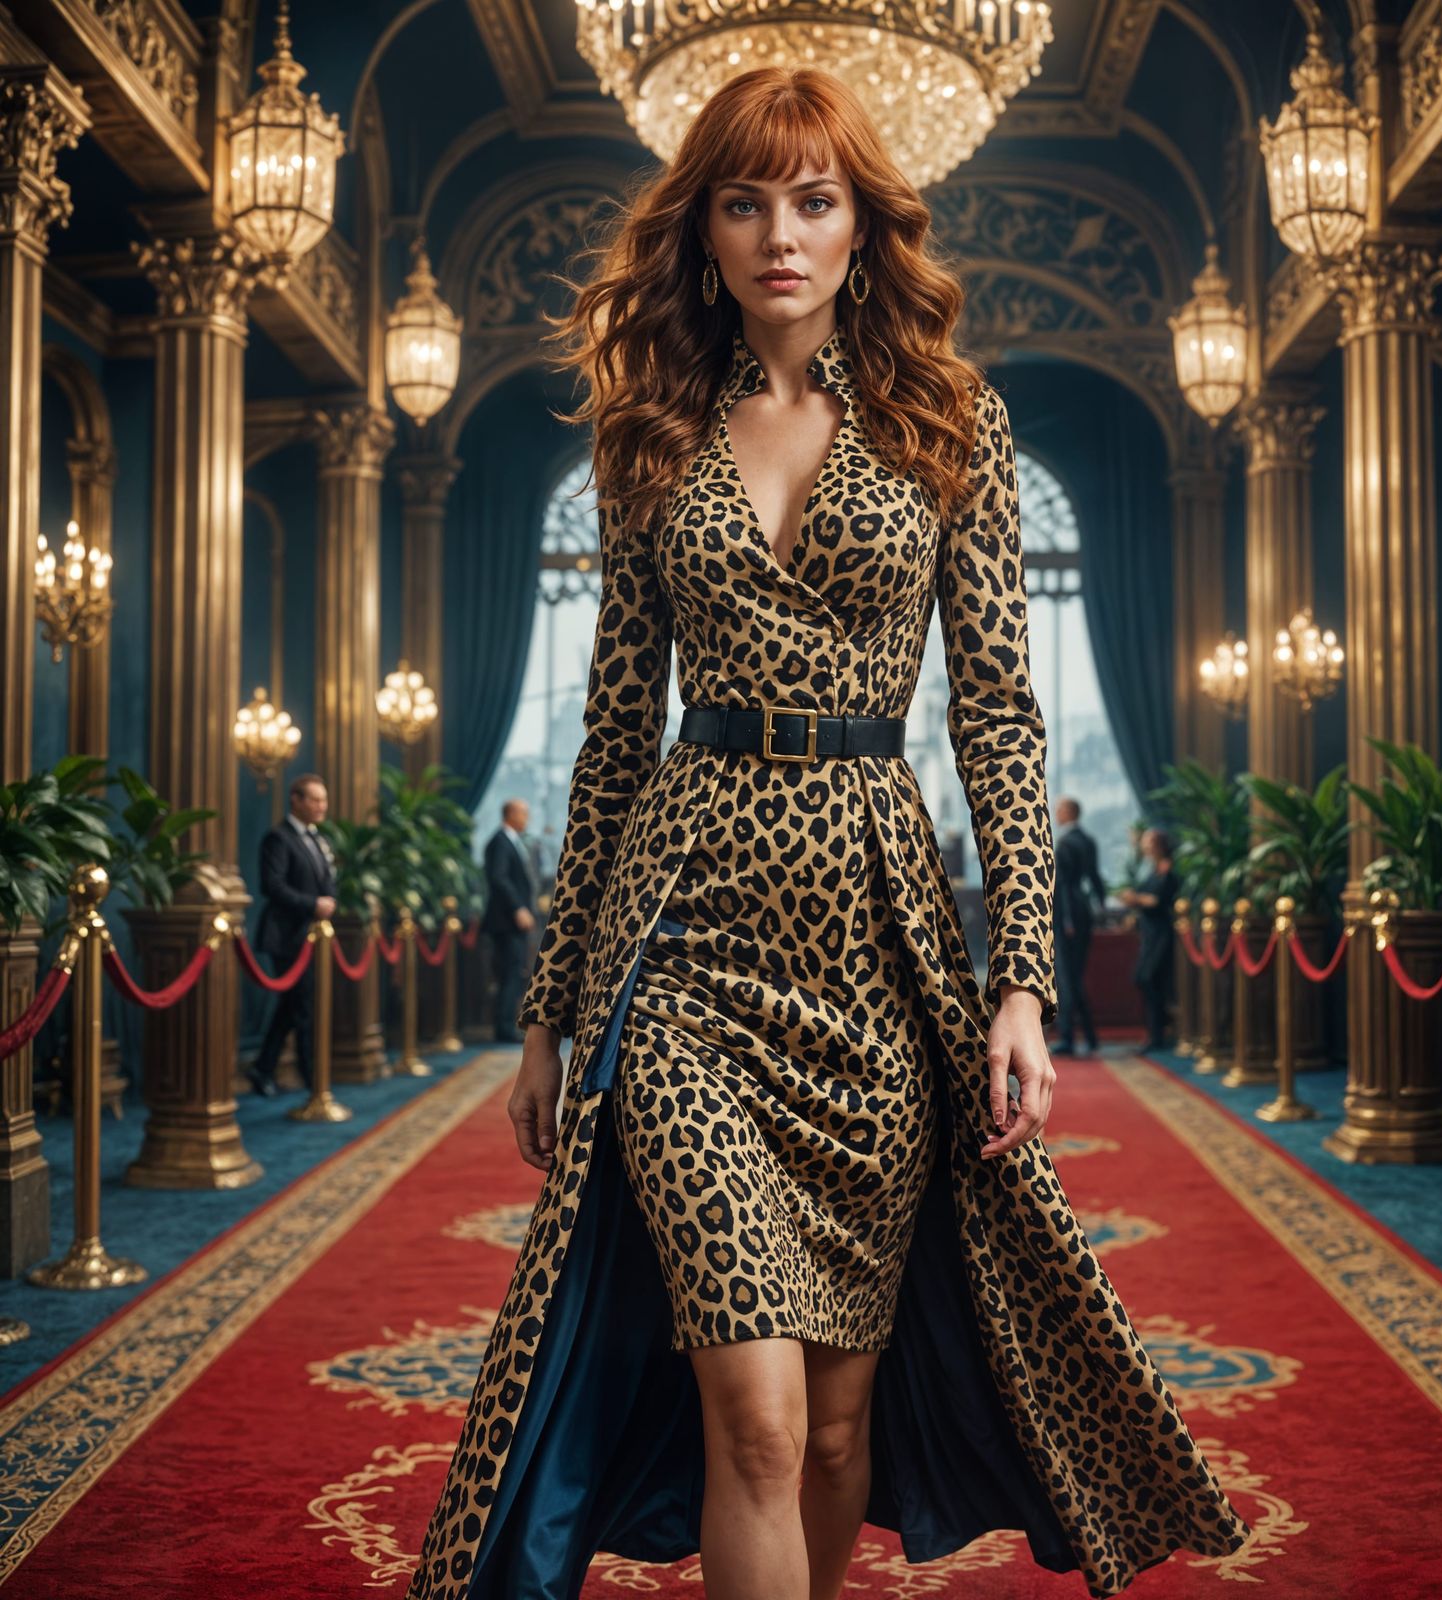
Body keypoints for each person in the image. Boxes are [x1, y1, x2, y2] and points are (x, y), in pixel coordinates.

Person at [407, 68, 1247, 1600]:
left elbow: (1001, 715)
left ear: (863, 222)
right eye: (744, 203)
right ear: (705, 229)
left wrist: (1022, 980)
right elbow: (613, 739)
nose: (779, 235)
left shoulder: (953, 419)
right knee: (760, 1419)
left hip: (876, 952)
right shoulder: (651, 428)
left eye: (812, 200)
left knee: (841, 1426)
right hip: (684, 947)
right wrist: (549, 1014)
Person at [248, 773, 336, 1096]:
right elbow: (272, 885)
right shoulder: (278, 838)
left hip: (312, 937)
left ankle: (264, 1068)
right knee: (302, 1006)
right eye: (315, 799)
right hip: (286, 936)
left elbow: (326, 881)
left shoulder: (318, 839)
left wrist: (329, 900)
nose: (321, 806)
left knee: (293, 1005)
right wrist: (313, 904)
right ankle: (313, 1081)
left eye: (324, 800)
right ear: (296, 800)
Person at [1050, 796, 1104, 1056]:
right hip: (1083, 910)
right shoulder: (1088, 840)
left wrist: (1067, 920)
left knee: (1067, 978)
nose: (1056, 813)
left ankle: (1068, 1037)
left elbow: (1060, 885)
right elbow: (1095, 878)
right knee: (1075, 976)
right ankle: (1089, 1036)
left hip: (1067, 914)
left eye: (1059, 809)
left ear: (1069, 812)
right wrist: (1100, 907)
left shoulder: (1065, 843)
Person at [1118, 827, 1179, 1052]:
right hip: (1150, 933)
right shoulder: (1152, 869)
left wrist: (1135, 898)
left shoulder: (1167, 869)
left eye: (1147, 842)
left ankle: (1159, 1033)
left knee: (1149, 978)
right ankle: (1157, 1031)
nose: (1144, 846)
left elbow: (1158, 900)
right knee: (1147, 980)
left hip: (1161, 933)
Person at [483, 798, 538, 1043]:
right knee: (510, 973)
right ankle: (504, 1028)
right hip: (506, 922)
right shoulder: (501, 841)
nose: (527, 818)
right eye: (524, 813)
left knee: (514, 972)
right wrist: (518, 908)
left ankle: (506, 1025)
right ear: (511, 814)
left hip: (511, 922)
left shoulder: (511, 840)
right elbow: (499, 878)